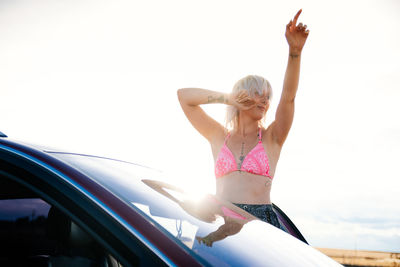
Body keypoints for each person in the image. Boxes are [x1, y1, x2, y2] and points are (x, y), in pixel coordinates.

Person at [177, 9, 309, 231]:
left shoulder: (272, 137)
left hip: (259, 226)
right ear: (242, 95)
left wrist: (294, 53)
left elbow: (288, 97)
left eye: (268, 97)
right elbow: (184, 97)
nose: (265, 100)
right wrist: (229, 98)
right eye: (258, 93)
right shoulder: (218, 135)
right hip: (218, 221)